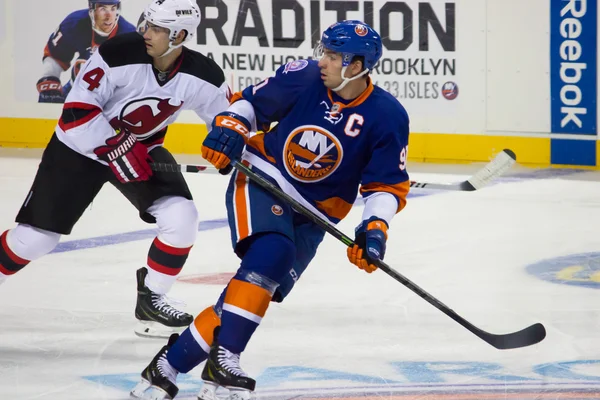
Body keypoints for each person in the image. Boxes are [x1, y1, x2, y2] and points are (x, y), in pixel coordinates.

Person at [131, 20, 410, 399]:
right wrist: (229, 128)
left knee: (249, 292)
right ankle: (225, 358)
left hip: (317, 215)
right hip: (265, 179)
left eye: (332, 55)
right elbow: (250, 104)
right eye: (323, 52)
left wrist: (374, 229)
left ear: (357, 66)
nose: (322, 61)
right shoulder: (305, 77)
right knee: (272, 254)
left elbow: (384, 186)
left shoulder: (388, 116)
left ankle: (167, 365)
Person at [1, 0, 231, 338]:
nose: (145, 33)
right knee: (35, 239)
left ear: (179, 34)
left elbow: (227, 121)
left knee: (181, 217)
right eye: (146, 24)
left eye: (156, 29)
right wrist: (115, 144)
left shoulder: (203, 76)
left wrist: (229, 144)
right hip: (78, 149)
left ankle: (152, 297)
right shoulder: (118, 52)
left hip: (141, 152)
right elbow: (76, 112)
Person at [37, 0, 136, 103]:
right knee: (85, 64)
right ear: (91, 8)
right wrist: (50, 79)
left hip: (110, 100)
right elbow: (56, 55)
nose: (109, 16)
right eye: (103, 9)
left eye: (113, 8)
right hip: (74, 94)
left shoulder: (129, 37)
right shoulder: (74, 23)